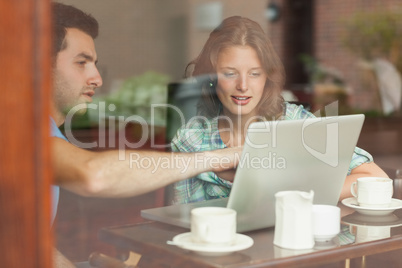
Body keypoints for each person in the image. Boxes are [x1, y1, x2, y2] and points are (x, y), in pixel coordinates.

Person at [50, 3, 241, 267]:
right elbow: (93, 174)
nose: (96, 78)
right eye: (82, 63)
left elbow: (26, 244)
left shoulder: (44, 131)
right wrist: (218, 158)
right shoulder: (15, 133)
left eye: (94, 64)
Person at [170, 16, 388, 204]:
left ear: (267, 77)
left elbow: (375, 177)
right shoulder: (191, 139)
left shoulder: (294, 122)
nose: (243, 85)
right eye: (229, 73)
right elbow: (183, 219)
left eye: (255, 73)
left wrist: (297, 194)